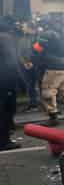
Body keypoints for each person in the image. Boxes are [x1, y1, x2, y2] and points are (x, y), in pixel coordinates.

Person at [0, 19, 21, 151]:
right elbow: (12, 60)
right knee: (7, 112)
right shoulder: (5, 38)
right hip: (6, 81)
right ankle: (4, 141)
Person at [17, 21, 39, 111]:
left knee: (37, 85)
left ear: (29, 28)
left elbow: (38, 52)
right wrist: (24, 63)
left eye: (24, 27)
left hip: (36, 65)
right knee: (29, 85)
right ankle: (32, 104)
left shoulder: (37, 38)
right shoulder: (21, 39)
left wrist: (32, 62)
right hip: (25, 66)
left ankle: (40, 104)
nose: (22, 28)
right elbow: (19, 53)